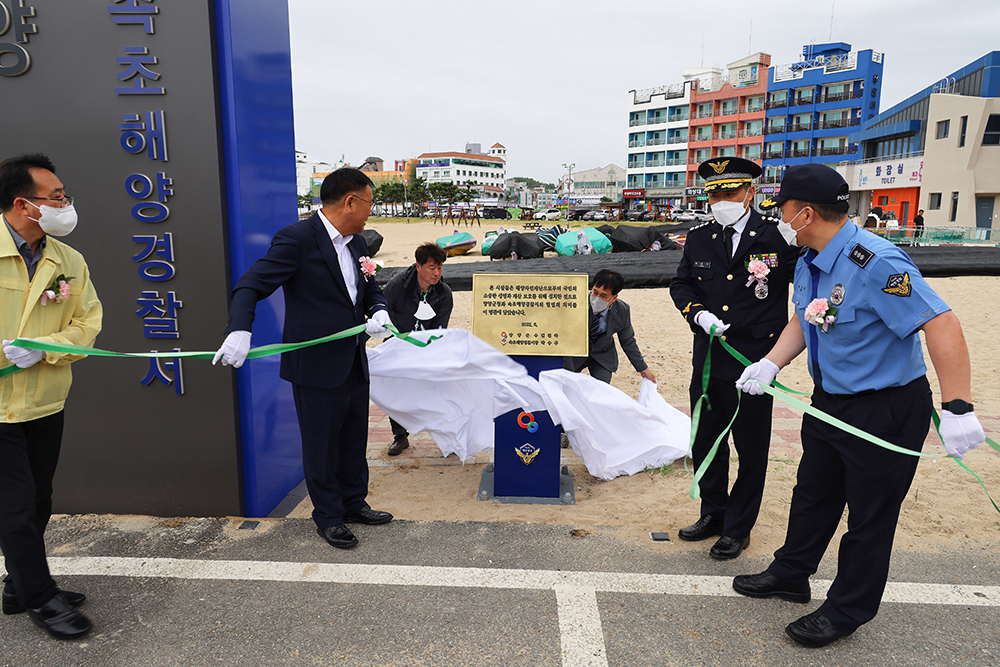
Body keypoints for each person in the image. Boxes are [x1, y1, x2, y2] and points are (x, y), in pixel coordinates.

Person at [733, 164, 986, 648]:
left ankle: (848, 610)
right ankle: (791, 572)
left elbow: (941, 323)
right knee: (813, 494)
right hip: (831, 402)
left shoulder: (877, 263)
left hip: (885, 409)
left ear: (805, 213)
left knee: (870, 515)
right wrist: (770, 364)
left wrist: (958, 405)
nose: (778, 218)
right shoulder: (812, 256)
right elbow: (804, 320)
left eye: (782, 210)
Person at [214, 168, 394, 550]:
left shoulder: (358, 243)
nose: (369, 213)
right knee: (321, 444)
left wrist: (379, 310)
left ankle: (352, 502)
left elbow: (370, 289)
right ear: (350, 202)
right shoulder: (298, 239)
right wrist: (239, 328)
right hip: (315, 365)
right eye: (369, 204)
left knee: (351, 437)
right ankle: (328, 517)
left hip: (352, 359)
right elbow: (250, 284)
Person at [669, 157, 798, 560]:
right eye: (715, 194)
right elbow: (681, 283)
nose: (721, 200)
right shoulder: (701, 237)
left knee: (751, 448)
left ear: (749, 192)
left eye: (730, 192)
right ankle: (714, 512)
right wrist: (696, 312)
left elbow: (811, 281)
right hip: (708, 360)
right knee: (707, 441)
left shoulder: (778, 237)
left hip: (755, 363)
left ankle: (738, 528)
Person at [0, 154, 102, 639]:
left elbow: (88, 323)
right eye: (57, 196)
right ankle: (42, 598)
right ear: (24, 204)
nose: (65, 203)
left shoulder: (68, 260)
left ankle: (20, 585)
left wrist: (43, 349)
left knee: (39, 498)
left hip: (44, 399)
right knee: (14, 504)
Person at [380, 242, 453, 456]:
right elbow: (381, 313)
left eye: (440, 268)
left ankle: (448, 436)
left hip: (427, 346)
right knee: (394, 390)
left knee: (440, 389)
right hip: (397, 344)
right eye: (432, 267)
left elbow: (440, 329)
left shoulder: (444, 293)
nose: (436, 273)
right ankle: (400, 436)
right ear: (418, 266)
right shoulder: (397, 285)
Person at [563, 268, 656, 385]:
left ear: (614, 298)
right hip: (575, 353)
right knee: (567, 386)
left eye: (604, 296)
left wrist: (643, 369)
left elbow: (628, 341)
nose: (597, 298)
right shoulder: (576, 303)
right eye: (595, 292)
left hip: (603, 355)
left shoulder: (622, 311)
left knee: (602, 390)